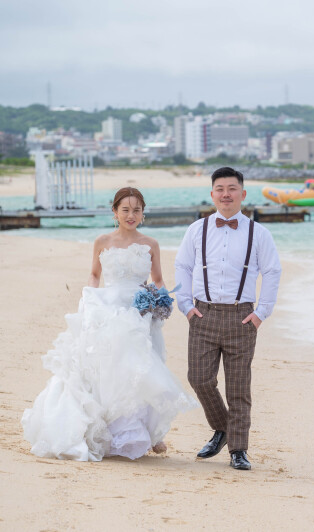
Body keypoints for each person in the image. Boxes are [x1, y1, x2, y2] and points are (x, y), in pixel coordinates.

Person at [21, 187, 197, 461]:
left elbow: (159, 280)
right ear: (114, 212)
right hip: (108, 309)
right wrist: (87, 304)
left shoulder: (151, 244)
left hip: (140, 313)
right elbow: (94, 275)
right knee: (109, 369)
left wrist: (161, 301)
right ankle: (110, 430)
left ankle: (147, 433)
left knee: (140, 369)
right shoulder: (102, 241)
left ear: (143, 213)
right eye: (125, 210)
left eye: (137, 210)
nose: (131, 215)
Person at [174, 167, 281, 471]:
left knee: (238, 387)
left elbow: (272, 272)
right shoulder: (197, 229)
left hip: (241, 316)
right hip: (203, 314)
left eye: (232, 188)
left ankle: (238, 449)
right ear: (212, 195)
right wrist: (185, 305)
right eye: (219, 189)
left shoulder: (259, 233)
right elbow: (182, 265)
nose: (226, 194)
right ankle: (222, 428)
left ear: (243, 194)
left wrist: (261, 313)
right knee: (199, 379)